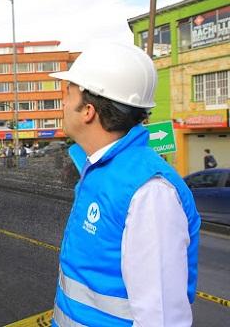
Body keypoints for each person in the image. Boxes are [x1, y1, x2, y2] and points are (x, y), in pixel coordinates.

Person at [49, 42, 199, 326]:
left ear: (88, 111)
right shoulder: (99, 170)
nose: (63, 103)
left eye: (68, 94)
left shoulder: (150, 192)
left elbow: (162, 319)